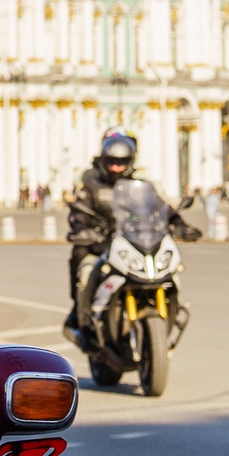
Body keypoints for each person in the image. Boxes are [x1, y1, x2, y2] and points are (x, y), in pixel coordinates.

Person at [63, 131, 197, 335]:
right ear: (104, 160)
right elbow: (79, 214)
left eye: (121, 162)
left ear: (130, 161)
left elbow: (164, 210)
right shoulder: (91, 188)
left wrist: (181, 225)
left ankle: (173, 309)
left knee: (169, 272)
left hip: (134, 244)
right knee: (85, 271)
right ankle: (82, 320)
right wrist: (83, 230)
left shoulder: (141, 187)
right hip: (103, 247)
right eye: (112, 162)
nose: (116, 167)